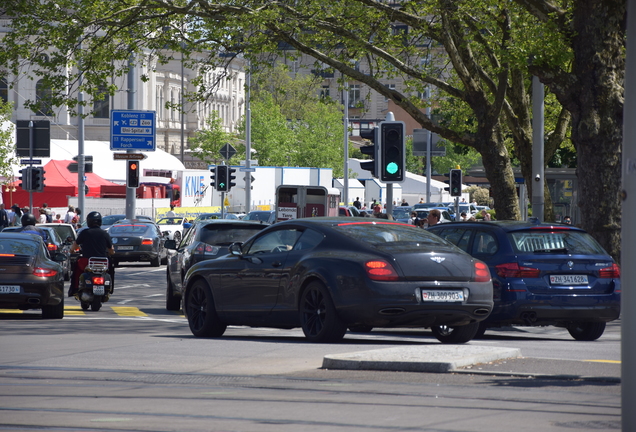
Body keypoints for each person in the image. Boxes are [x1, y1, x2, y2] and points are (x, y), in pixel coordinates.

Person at [69, 211, 115, 298]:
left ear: (89, 221)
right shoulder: (105, 233)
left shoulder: (85, 232)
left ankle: (75, 289)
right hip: (103, 263)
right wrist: (111, 253)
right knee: (110, 270)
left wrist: (71, 251)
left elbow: (75, 245)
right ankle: (110, 289)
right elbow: (111, 249)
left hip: (87, 262)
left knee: (77, 269)